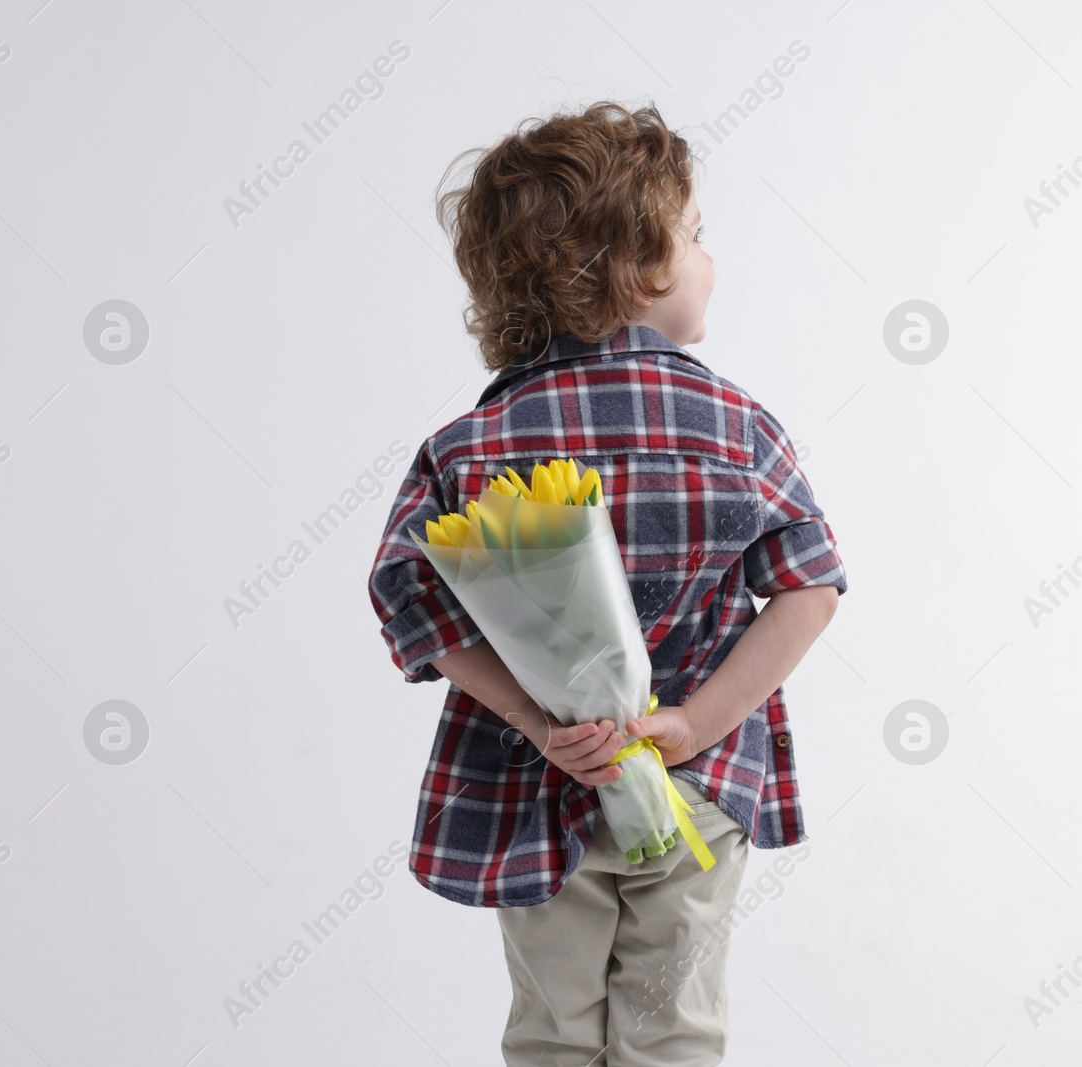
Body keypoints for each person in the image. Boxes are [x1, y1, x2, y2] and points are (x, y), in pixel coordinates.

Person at [366, 100, 848, 1067]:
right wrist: (696, 720)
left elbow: (410, 602)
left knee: (551, 1025)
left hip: (537, 779)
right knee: (675, 1024)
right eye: (696, 235)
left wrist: (543, 725)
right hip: (700, 780)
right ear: (635, 267)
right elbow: (810, 586)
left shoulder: (471, 445)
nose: (711, 258)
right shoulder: (737, 425)